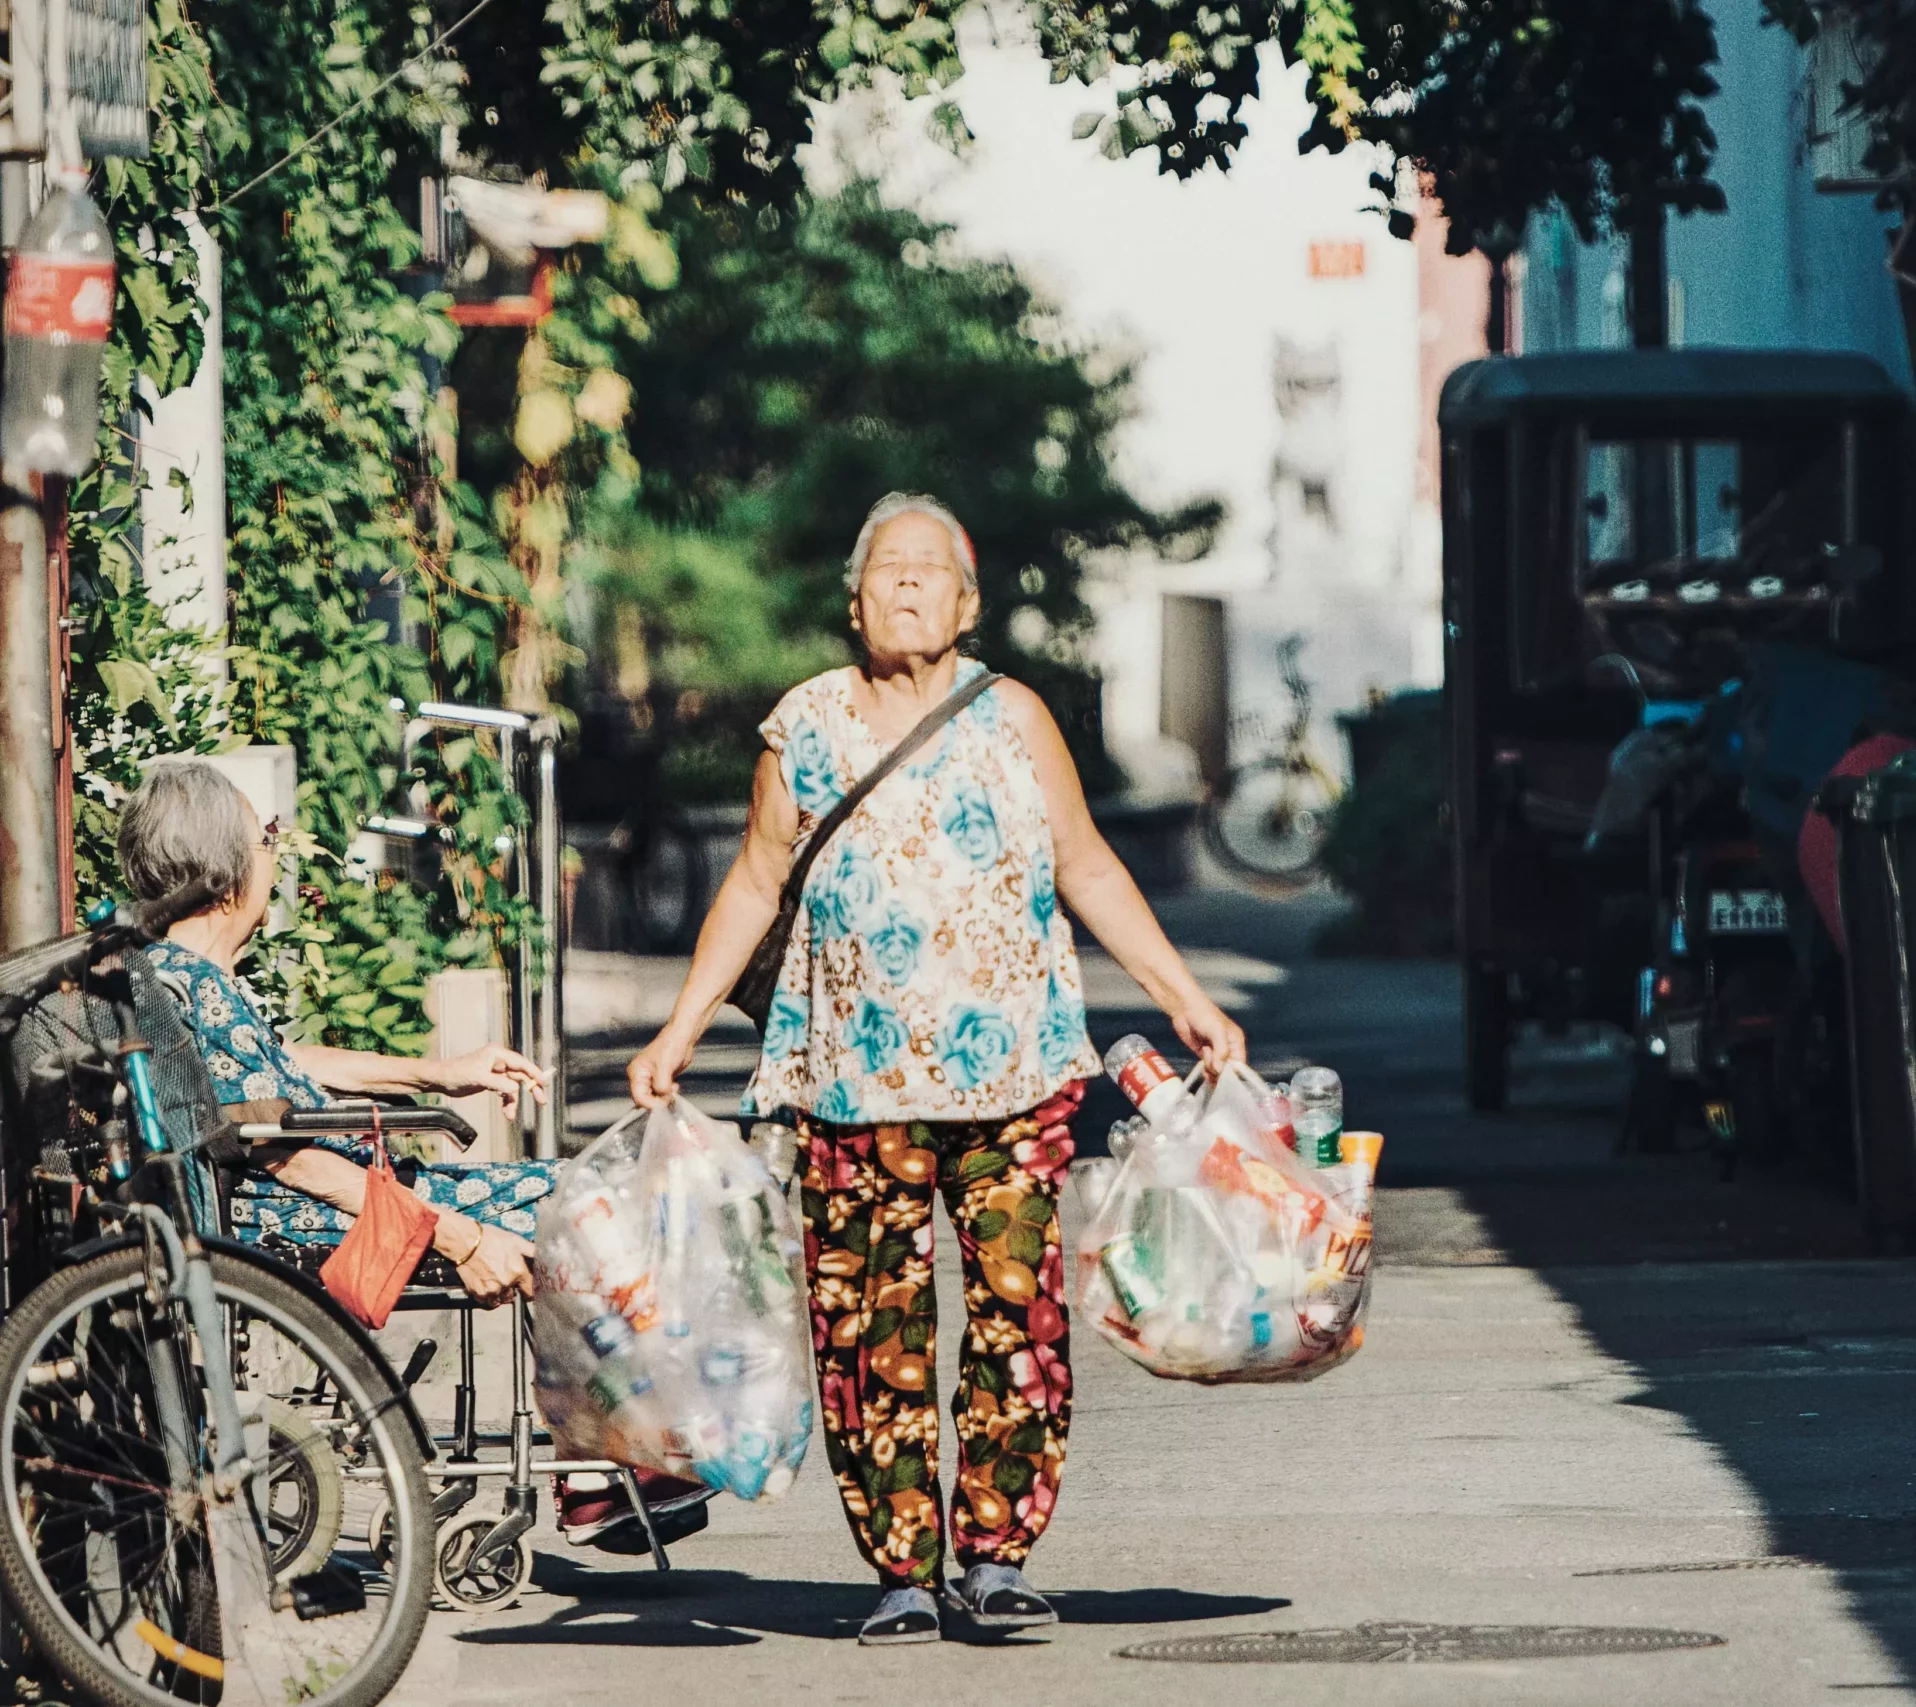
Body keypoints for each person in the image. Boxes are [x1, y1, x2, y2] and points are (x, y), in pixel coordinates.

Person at [627, 491, 1246, 1644]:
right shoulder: (802, 727)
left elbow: (1089, 866)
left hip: (1012, 1079)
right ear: (853, 598)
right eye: (885, 570)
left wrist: (1187, 1000)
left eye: (929, 571)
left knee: (1021, 1322)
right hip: (847, 1085)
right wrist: (677, 1030)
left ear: (966, 603)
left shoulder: (1012, 715)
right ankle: (903, 1568)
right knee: (870, 1329)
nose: (905, 585)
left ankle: (998, 1556)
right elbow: (755, 883)